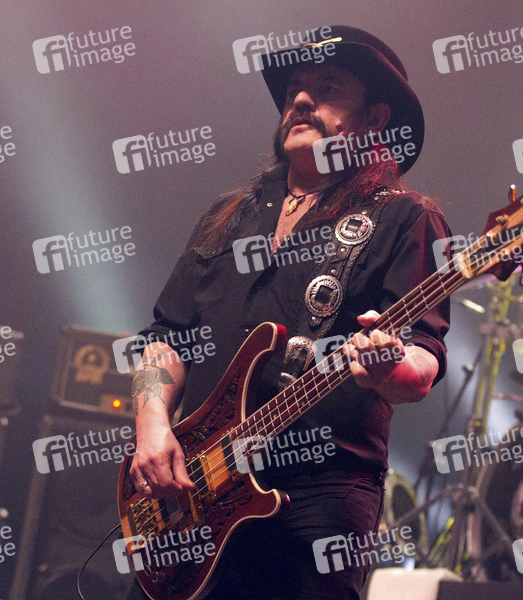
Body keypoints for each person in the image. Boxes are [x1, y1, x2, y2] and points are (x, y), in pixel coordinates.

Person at [126, 25, 451, 600]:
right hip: (195, 488)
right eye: (295, 89)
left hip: (318, 500)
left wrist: (389, 367)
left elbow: (422, 361)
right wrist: (152, 428)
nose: (300, 99)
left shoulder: (406, 219)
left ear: (375, 118)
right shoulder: (229, 214)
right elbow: (168, 336)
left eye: (328, 89)